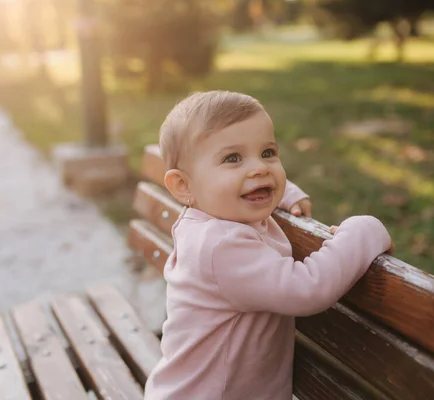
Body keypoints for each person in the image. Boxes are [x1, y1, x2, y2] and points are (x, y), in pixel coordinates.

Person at [144, 90, 394, 399]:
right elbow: (305, 290)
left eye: (267, 153)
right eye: (232, 158)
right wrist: (364, 231)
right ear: (183, 186)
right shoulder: (222, 246)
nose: (259, 169)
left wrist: (284, 192)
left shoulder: (210, 218)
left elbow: (249, 178)